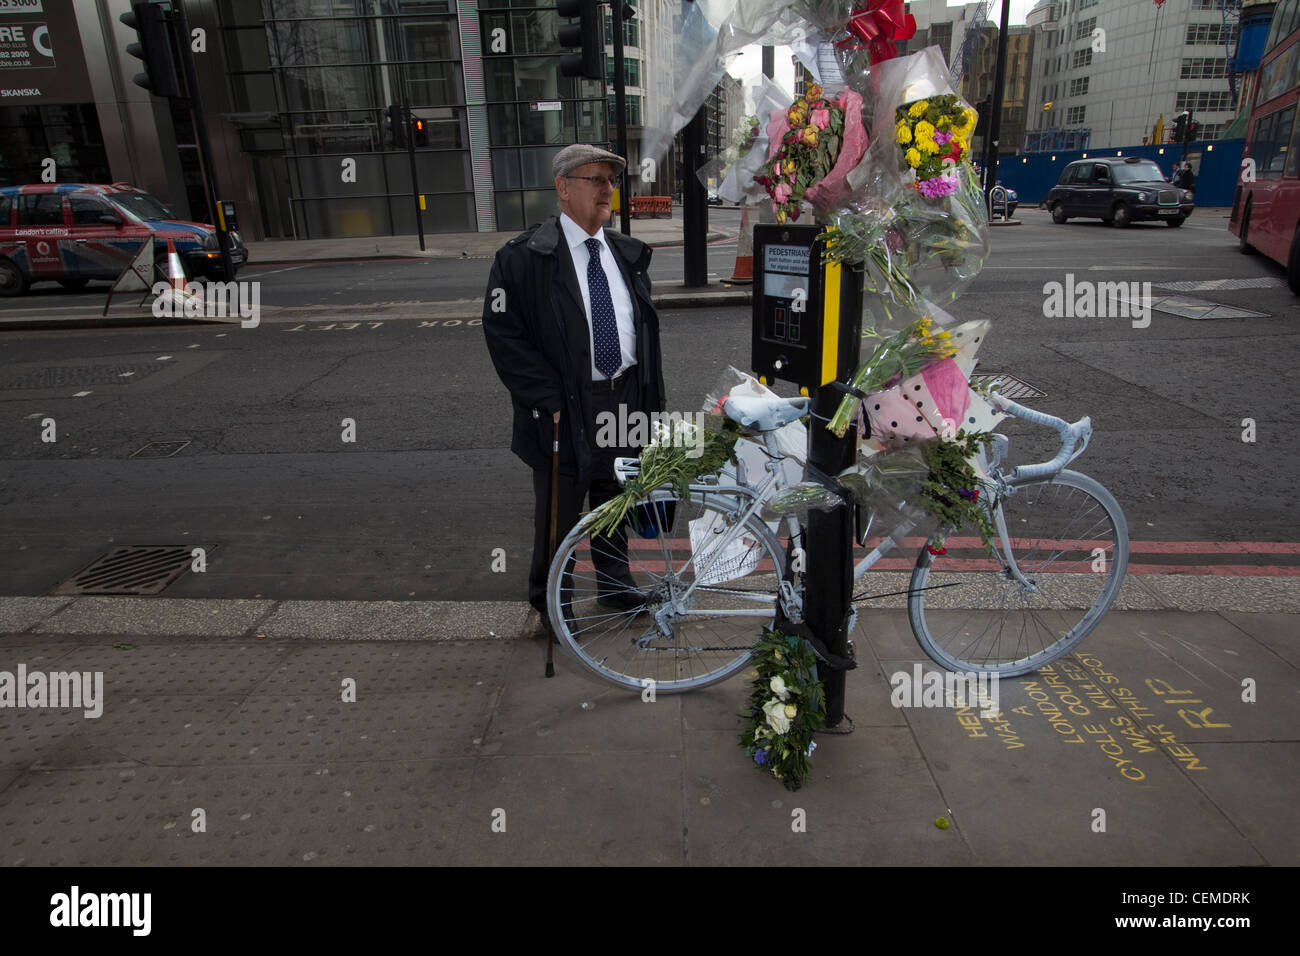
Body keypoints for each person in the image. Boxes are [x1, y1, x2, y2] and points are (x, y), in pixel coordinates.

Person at [482, 144, 666, 629]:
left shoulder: (625, 253)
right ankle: (551, 605)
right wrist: (547, 399)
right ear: (564, 188)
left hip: (622, 396)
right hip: (563, 406)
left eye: (611, 181)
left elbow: (639, 329)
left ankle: (614, 585)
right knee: (559, 515)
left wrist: (648, 398)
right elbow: (504, 336)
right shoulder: (524, 259)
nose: (608, 190)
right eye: (596, 179)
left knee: (614, 500)